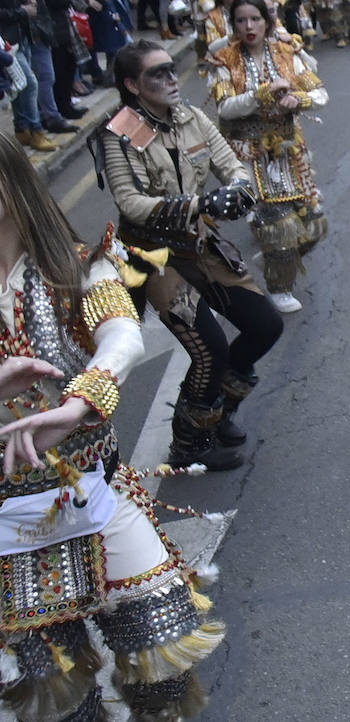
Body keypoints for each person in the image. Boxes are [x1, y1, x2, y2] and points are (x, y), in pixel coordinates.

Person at [0, 132, 226, 722]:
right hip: (7, 526)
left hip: (95, 493)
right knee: (54, 695)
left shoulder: (78, 267)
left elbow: (122, 333)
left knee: (162, 652)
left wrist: (79, 403)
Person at [97, 40, 283, 469]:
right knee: (209, 348)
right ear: (132, 85)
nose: (170, 78)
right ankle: (189, 443)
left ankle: (218, 414)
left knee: (265, 325)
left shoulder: (192, 117)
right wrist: (200, 205)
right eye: (156, 74)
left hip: (199, 244)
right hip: (151, 256)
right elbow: (129, 202)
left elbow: (230, 163)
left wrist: (237, 188)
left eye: (170, 69)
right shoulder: (119, 133)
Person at [207, 0, 328, 313]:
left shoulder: (288, 52)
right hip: (251, 154)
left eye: (255, 19)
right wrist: (261, 94)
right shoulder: (224, 60)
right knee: (278, 226)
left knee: (314, 226)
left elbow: (320, 92)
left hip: (290, 151)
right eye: (241, 20)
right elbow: (225, 108)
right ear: (233, 25)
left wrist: (299, 99)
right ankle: (279, 287)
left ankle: (275, 258)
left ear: (267, 21)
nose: (249, 26)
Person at [0, 0, 57, 151]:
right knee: (30, 83)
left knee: (19, 84)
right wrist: (23, 11)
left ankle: (21, 128)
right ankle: (36, 131)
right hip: (7, 42)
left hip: (22, 36)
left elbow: (13, 1)